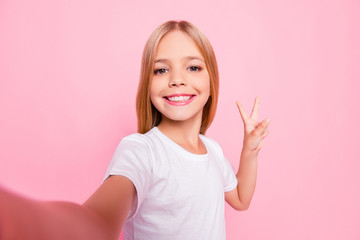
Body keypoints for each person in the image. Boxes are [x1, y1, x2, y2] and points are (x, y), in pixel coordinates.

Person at [0, 20, 270, 240]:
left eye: (193, 67)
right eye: (161, 70)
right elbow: (96, 221)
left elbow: (240, 199)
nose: (177, 79)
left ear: (211, 78)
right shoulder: (142, 151)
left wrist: (250, 150)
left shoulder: (212, 150)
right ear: (147, 84)